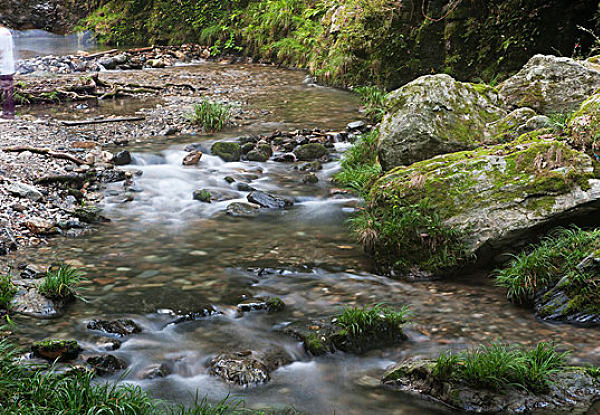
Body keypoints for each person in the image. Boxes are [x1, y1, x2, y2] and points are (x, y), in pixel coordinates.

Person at [0, 15, 15, 119]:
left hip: (2, 65)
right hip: (8, 64)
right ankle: (9, 112)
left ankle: (7, 113)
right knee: (8, 90)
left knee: (5, 89)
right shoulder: (7, 32)